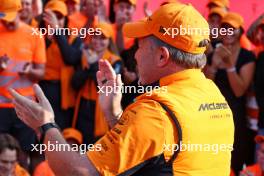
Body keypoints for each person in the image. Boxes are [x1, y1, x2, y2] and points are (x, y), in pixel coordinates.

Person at [9, 3, 234, 176]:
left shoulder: (156, 112)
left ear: (162, 56)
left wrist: (46, 125)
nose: (135, 55)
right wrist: (114, 114)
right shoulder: (212, 93)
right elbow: (155, 152)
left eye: (140, 45)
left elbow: (80, 171)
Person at [204, 12, 256, 175]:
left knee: (234, 160)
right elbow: (206, 87)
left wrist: (229, 65)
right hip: (213, 115)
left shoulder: (247, 56)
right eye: (224, 28)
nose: (228, 32)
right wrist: (213, 65)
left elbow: (239, 91)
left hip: (236, 118)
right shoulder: (213, 54)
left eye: (232, 29)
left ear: (240, 31)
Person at [0, 0, 46, 169]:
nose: (7, 22)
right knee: (1, 157)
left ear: (21, 12)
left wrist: (29, 72)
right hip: (1, 108)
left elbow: (41, 73)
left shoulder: (34, 34)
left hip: (24, 107)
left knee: (22, 156)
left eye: (10, 18)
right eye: (3, 17)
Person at [71, 22, 122, 145]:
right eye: (95, 36)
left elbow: (105, 88)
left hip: (102, 109)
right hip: (82, 106)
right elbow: (74, 83)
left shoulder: (115, 61)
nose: (97, 41)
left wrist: (93, 64)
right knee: (79, 144)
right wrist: (88, 67)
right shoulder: (84, 56)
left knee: (97, 146)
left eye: (102, 38)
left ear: (110, 41)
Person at [39, 0, 83, 130]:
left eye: (59, 17)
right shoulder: (37, 35)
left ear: (66, 20)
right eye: (51, 17)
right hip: (42, 89)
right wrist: (49, 36)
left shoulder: (73, 37)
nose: (55, 21)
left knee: (60, 131)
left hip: (64, 92)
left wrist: (57, 31)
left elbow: (70, 58)